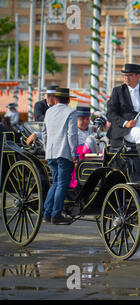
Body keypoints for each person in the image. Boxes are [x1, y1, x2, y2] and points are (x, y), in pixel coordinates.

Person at [42, 88, 78, 225]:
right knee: (62, 183)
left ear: (56, 99)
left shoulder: (49, 111)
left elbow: (44, 133)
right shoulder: (71, 112)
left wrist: (46, 149)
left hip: (51, 152)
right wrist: (74, 153)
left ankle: (47, 212)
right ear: (68, 100)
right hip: (64, 152)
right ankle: (56, 213)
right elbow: (71, 134)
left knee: (56, 182)